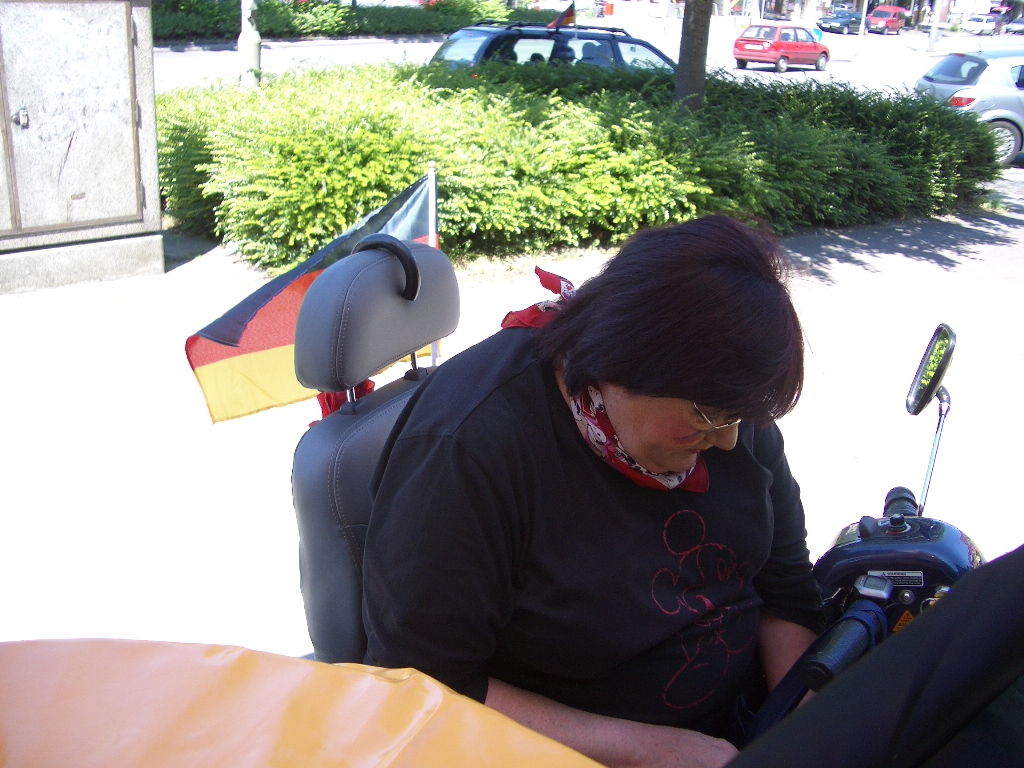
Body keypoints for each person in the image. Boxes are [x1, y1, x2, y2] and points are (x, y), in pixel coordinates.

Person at [362, 215, 824, 768]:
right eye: (707, 417)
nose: (727, 440)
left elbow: (785, 587)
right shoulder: (469, 446)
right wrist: (649, 751)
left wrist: (804, 722)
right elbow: (423, 685)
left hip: (748, 731)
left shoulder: (725, 402)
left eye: (737, 418)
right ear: (623, 361)